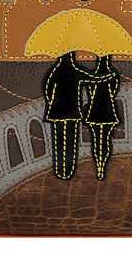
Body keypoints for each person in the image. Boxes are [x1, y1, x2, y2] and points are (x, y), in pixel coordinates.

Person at [43, 52, 90, 180]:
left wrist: (53, 103)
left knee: (58, 141)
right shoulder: (75, 71)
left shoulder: (55, 71)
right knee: (70, 141)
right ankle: (67, 170)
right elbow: (91, 78)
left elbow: (48, 90)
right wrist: (106, 77)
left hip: (57, 112)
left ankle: (61, 170)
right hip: (72, 112)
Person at [84, 55, 120, 180]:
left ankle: (99, 166)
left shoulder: (93, 75)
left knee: (96, 139)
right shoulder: (113, 75)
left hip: (94, 112)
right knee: (106, 139)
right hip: (108, 112)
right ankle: (102, 165)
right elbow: (114, 91)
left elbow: (89, 91)